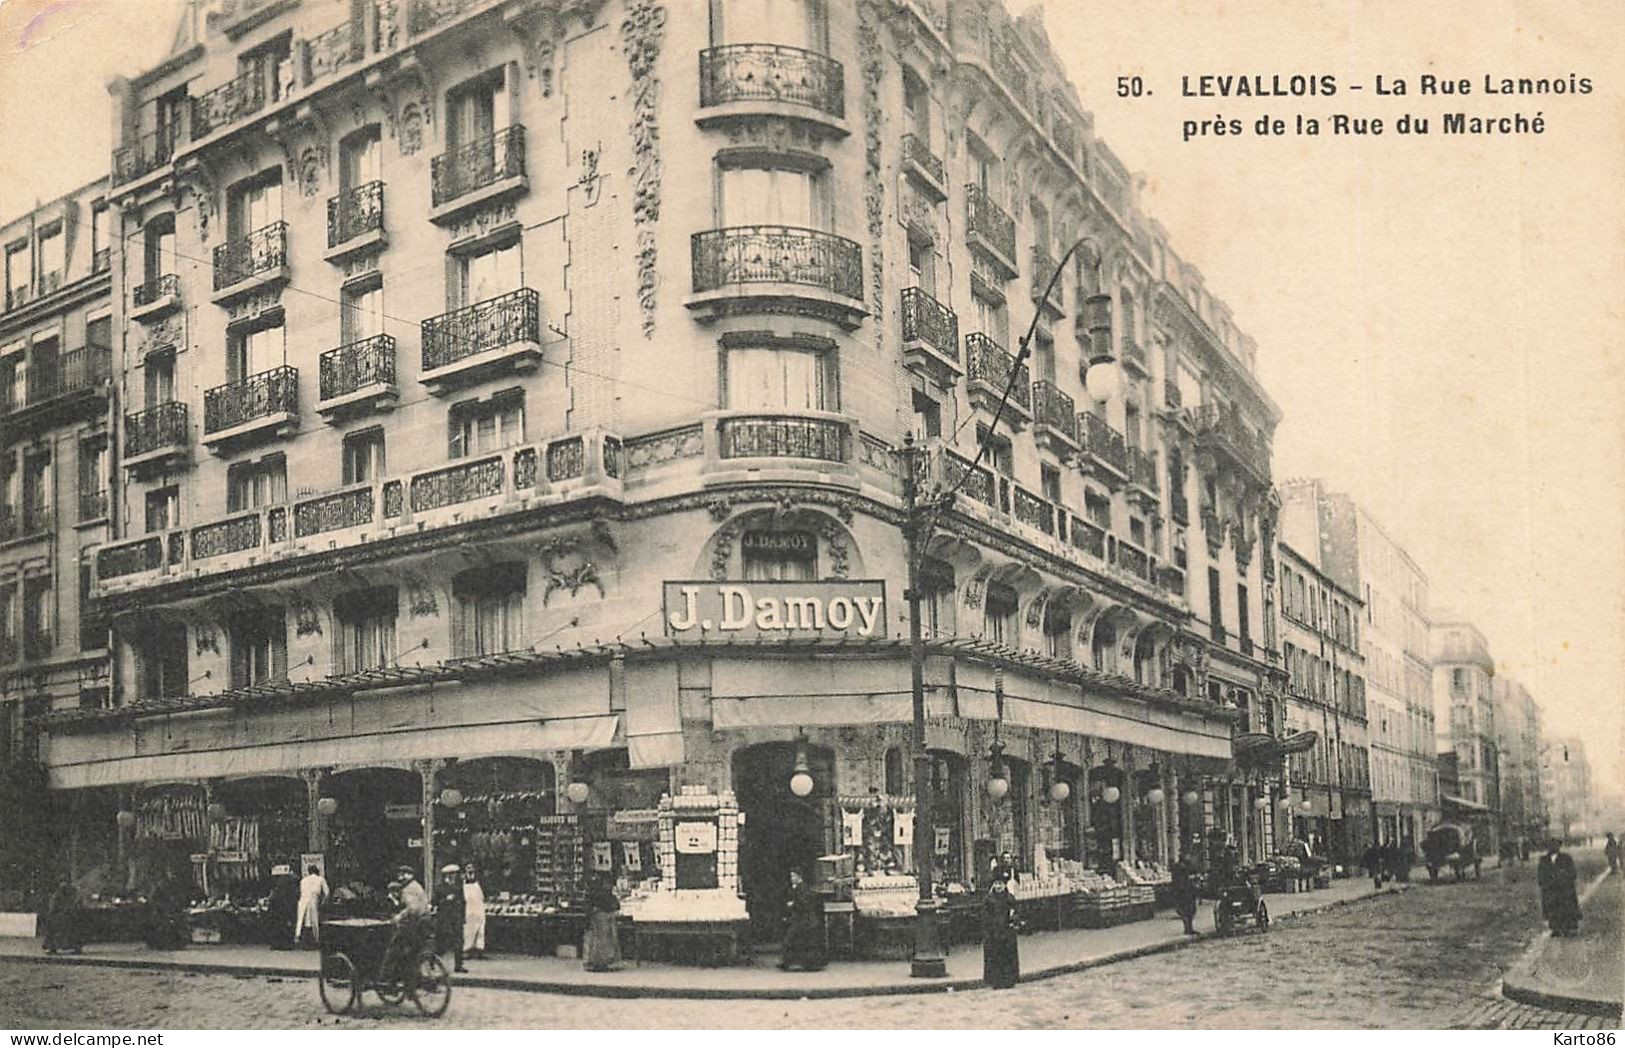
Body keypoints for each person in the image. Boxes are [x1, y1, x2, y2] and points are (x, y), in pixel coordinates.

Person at [381, 866, 432, 986]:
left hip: (413, 926)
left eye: (403, 874)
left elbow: (412, 909)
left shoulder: (409, 889)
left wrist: (400, 916)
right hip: (423, 924)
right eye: (400, 874)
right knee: (412, 954)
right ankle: (409, 981)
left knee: (393, 950)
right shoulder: (417, 886)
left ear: (409, 875)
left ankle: (387, 978)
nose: (400, 877)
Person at [777, 868, 825, 972]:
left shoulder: (801, 888)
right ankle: (799, 963)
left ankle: (788, 963)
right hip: (803, 919)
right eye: (791, 876)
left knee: (790, 940)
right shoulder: (800, 887)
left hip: (804, 920)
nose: (791, 878)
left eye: (793, 876)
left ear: (799, 877)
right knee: (800, 941)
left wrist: (792, 905)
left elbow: (803, 904)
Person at [981, 863, 1020, 989]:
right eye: (996, 884)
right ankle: (996, 981)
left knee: (1007, 956)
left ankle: (1009, 979)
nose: (998, 886)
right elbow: (985, 917)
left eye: (1001, 884)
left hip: (1007, 932)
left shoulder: (1010, 898)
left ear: (1005, 885)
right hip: (994, 933)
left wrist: (1014, 919)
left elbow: (1016, 912)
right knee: (996, 956)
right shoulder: (989, 899)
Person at [1536, 838, 1581, 936]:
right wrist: (1545, 883)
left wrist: (1564, 879)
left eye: (1556, 845)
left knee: (1566, 908)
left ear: (1559, 847)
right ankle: (1555, 928)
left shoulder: (1566, 858)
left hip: (1564, 889)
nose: (1553, 848)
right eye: (1551, 846)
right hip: (1550, 889)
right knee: (1552, 908)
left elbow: (1572, 873)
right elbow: (1540, 874)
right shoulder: (1543, 860)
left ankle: (1568, 928)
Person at [583, 875, 624, 972]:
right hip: (605, 918)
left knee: (596, 942)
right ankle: (606, 962)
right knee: (606, 941)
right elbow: (615, 905)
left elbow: (589, 907)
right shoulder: (608, 894)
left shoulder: (592, 893)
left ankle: (594, 962)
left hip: (597, 918)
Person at [433, 864, 466, 973]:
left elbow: (463, 902)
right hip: (444, 918)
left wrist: (463, 916)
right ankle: (432, 962)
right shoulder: (440, 888)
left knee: (458, 941)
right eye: (452, 874)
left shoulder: (458, 887)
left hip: (456, 918)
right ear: (447, 875)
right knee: (441, 942)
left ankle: (458, 965)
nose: (454, 876)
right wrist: (445, 899)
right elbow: (434, 902)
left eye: (455, 874)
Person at [42, 880, 83, 955]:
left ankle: (53, 947)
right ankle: (53, 947)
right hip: (61, 916)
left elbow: (54, 907)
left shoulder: (60, 895)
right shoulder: (65, 895)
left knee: (57, 931)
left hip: (61, 916)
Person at [295, 864, 328, 947]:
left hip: (302, 899)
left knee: (300, 919)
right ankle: (316, 939)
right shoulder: (320, 879)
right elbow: (327, 893)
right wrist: (323, 902)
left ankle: (297, 937)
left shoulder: (303, 880)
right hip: (313, 899)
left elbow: (300, 892)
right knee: (314, 920)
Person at [267, 870, 299, 949]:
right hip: (285, 913)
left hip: (276, 914)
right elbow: (292, 903)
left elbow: (271, 901)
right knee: (285, 928)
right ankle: (285, 944)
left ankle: (276, 944)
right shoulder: (289, 892)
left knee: (277, 928)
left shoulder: (276, 891)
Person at [1170, 854, 1200, 935]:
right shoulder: (1182, 868)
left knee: (1188, 911)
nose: (1189, 858)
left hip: (1184, 892)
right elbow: (1182, 881)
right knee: (1187, 911)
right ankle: (1188, 928)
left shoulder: (1182, 867)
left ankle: (1189, 928)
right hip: (1184, 892)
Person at [462, 863, 487, 960]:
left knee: (480, 930)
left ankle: (480, 950)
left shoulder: (480, 880)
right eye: (468, 868)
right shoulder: (462, 881)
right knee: (468, 930)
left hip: (479, 907)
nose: (470, 869)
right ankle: (467, 950)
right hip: (468, 908)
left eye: (471, 867)